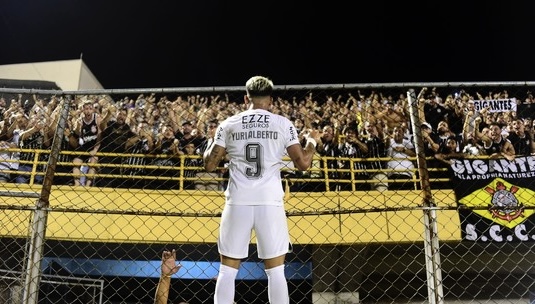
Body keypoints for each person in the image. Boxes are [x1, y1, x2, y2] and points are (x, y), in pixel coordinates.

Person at [203, 75, 320, 304]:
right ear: (271, 100)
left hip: (237, 201)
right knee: (276, 272)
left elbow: (209, 164)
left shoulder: (229, 124)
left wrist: (211, 141)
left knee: (227, 270)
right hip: (270, 201)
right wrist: (313, 142)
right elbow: (303, 164)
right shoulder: (282, 124)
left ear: (246, 97)